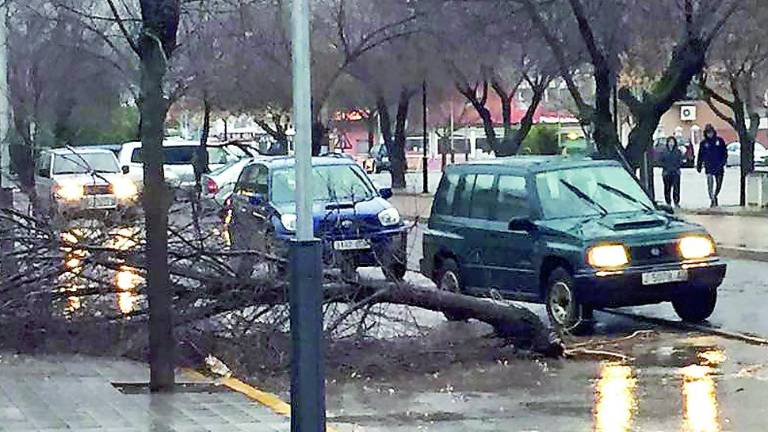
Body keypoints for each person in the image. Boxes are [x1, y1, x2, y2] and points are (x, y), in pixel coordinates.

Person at [697, 124, 727, 207]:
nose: (709, 134)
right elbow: (700, 155)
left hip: (719, 166)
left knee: (719, 184)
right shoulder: (704, 143)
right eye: (708, 133)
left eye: (711, 132)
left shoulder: (719, 141)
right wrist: (699, 165)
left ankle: (715, 195)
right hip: (709, 166)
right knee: (710, 184)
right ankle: (712, 199)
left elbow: (725, 152)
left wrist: (723, 162)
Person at [660, 136, 684, 207]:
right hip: (666, 172)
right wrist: (665, 167)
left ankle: (676, 202)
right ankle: (668, 202)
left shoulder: (678, 151)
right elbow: (660, 161)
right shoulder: (664, 152)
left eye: (672, 142)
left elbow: (680, 161)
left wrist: (677, 167)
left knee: (676, 188)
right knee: (667, 188)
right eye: (670, 142)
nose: (671, 143)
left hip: (675, 172)